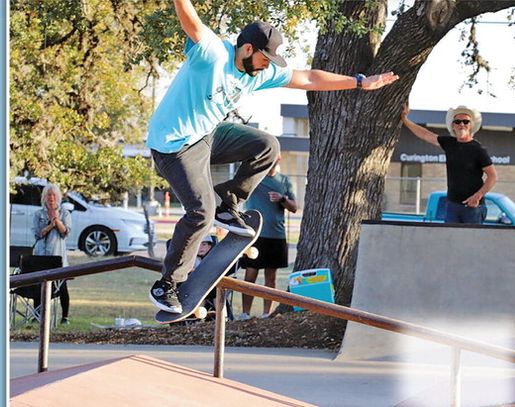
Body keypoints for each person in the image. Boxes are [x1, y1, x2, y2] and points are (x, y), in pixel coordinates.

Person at [147, 0, 399, 314]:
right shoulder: (211, 54)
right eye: (265, 59)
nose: (268, 66)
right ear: (247, 49)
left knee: (267, 145)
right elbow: (191, 21)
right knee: (200, 211)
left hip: (207, 134)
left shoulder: (258, 73)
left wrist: (360, 82)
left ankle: (231, 201)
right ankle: (167, 284)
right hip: (173, 145)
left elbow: (309, 78)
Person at [401, 104, 497, 224]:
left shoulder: (478, 149)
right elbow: (425, 134)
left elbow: (492, 176)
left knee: (471, 242)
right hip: (452, 206)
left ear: (471, 126)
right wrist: (404, 119)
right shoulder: (449, 143)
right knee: (450, 240)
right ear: (453, 126)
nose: (461, 124)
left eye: (466, 121)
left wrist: (477, 196)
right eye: (457, 121)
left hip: (473, 208)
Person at [238, 157, 297, 320]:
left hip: (276, 235)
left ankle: (266, 313)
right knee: (250, 275)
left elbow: (294, 208)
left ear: (278, 159)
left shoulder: (284, 181)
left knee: (271, 277)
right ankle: (245, 313)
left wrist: (282, 199)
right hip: (255, 235)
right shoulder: (254, 178)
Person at [32, 184, 72, 324]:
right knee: (39, 285)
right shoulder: (38, 214)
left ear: (58, 197)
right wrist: (50, 224)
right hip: (41, 255)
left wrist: (57, 220)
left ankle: (65, 317)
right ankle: (37, 316)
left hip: (57, 255)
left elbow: (65, 232)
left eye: (54, 195)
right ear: (44, 197)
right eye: (49, 195)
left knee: (62, 286)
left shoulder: (65, 213)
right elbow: (38, 234)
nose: (51, 198)